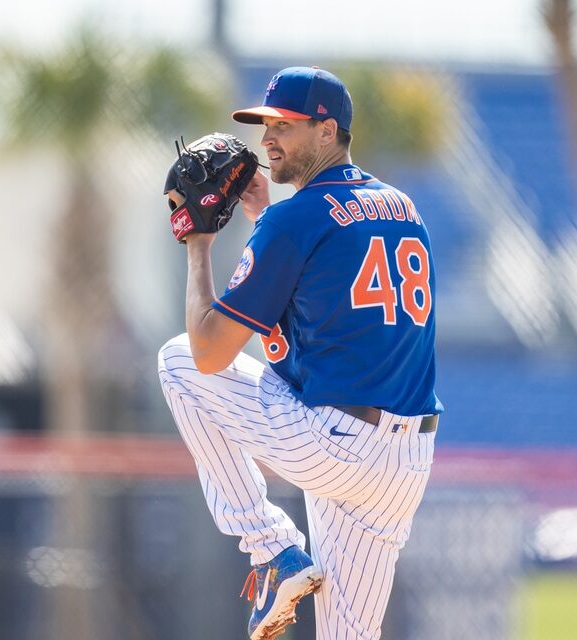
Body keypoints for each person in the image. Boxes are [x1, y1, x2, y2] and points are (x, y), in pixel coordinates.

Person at [158, 66, 442, 640]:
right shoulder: (402, 207)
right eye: (266, 126)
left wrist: (199, 244)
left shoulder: (295, 220)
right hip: (405, 463)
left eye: (284, 125)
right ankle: (277, 554)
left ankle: (271, 549)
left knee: (179, 361)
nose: (267, 139)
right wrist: (264, 216)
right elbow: (324, 299)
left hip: (335, 446)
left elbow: (210, 353)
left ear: (327, 130)